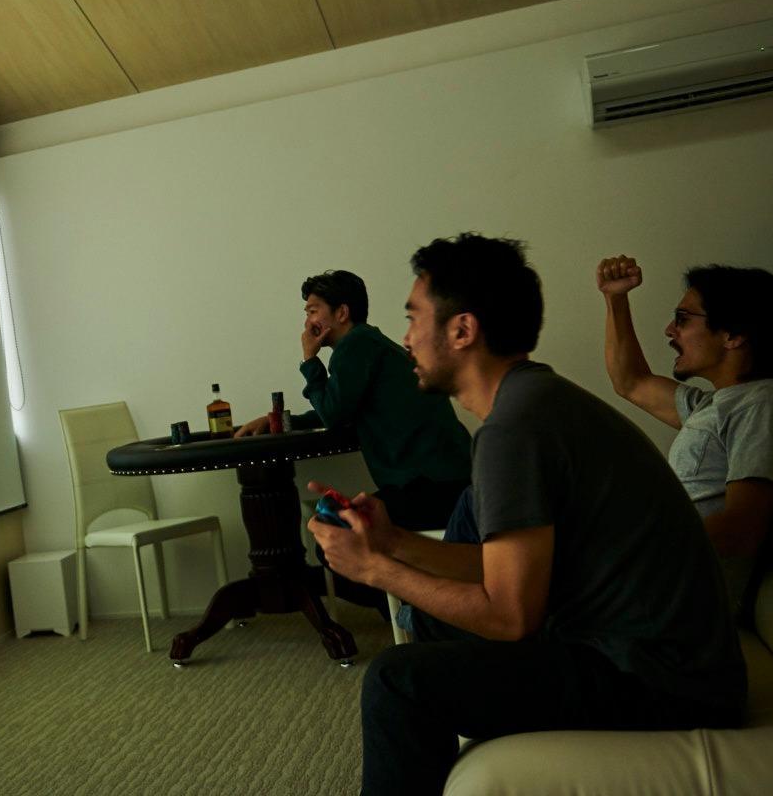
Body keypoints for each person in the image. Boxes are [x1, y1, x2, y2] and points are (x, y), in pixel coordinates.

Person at [310, 234, 745, 796]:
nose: (407, 337)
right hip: (652, 658)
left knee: (398, 681)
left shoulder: (515, 429)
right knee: (434, 625)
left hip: (661, 680)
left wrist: (374, 570)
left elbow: (510, 616)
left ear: (463, 330)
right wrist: (391, 541)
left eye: (414, 318)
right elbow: (502, 570)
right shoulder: (530, 402)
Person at [597, 256, 773, 615]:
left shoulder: (762, 404)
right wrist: (615, 299)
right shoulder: (714, 405)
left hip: (671, 609)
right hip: (643, 591)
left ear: (734, 335)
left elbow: (741, 529)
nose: (669, 330)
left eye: (682, 319)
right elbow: (630, 381)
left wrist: (629, 544)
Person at [234, 269, 472, 531]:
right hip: (453, 483)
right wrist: (280, 421)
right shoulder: (370, 342)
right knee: (339, 525)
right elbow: (343, 407)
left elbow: (333, 414)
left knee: (333, 532)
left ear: (342, 313)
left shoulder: (356, 345)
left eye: (313, 311)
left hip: (431, 489)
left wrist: (310, 359)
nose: (307, 323)